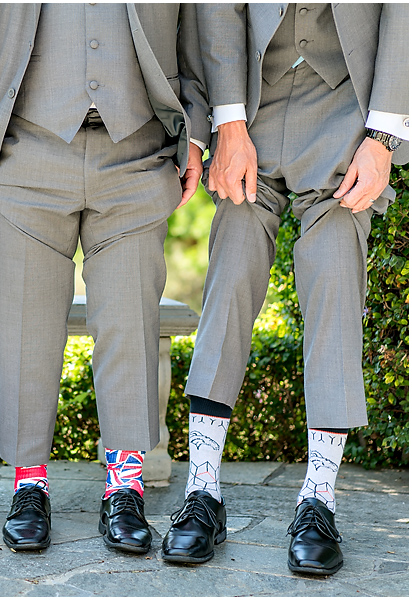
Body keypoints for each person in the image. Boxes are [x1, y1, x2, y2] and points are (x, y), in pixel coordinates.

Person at [0, 3, 207, 552]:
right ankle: (28, 485)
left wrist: (197, 135)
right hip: (25, 150)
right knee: (25, 329)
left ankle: (125, 488)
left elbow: (197, 28)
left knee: (129, 327)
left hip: (137, 154)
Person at [162, 3, 409, 576]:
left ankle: (318, 500)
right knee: (233, 264)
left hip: (345, 109)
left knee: (333, 272)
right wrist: (228, 122)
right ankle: (203, 491)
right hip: (252, 103)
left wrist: (382, 138)